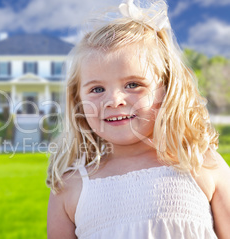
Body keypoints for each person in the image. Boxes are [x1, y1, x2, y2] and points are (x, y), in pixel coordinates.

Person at [46, 0, 230, 238]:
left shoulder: (200, 163)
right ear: (78, 100)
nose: (114, 100)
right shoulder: (70, 187)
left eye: (133, 85)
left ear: (167, 89)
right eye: (97, 89)